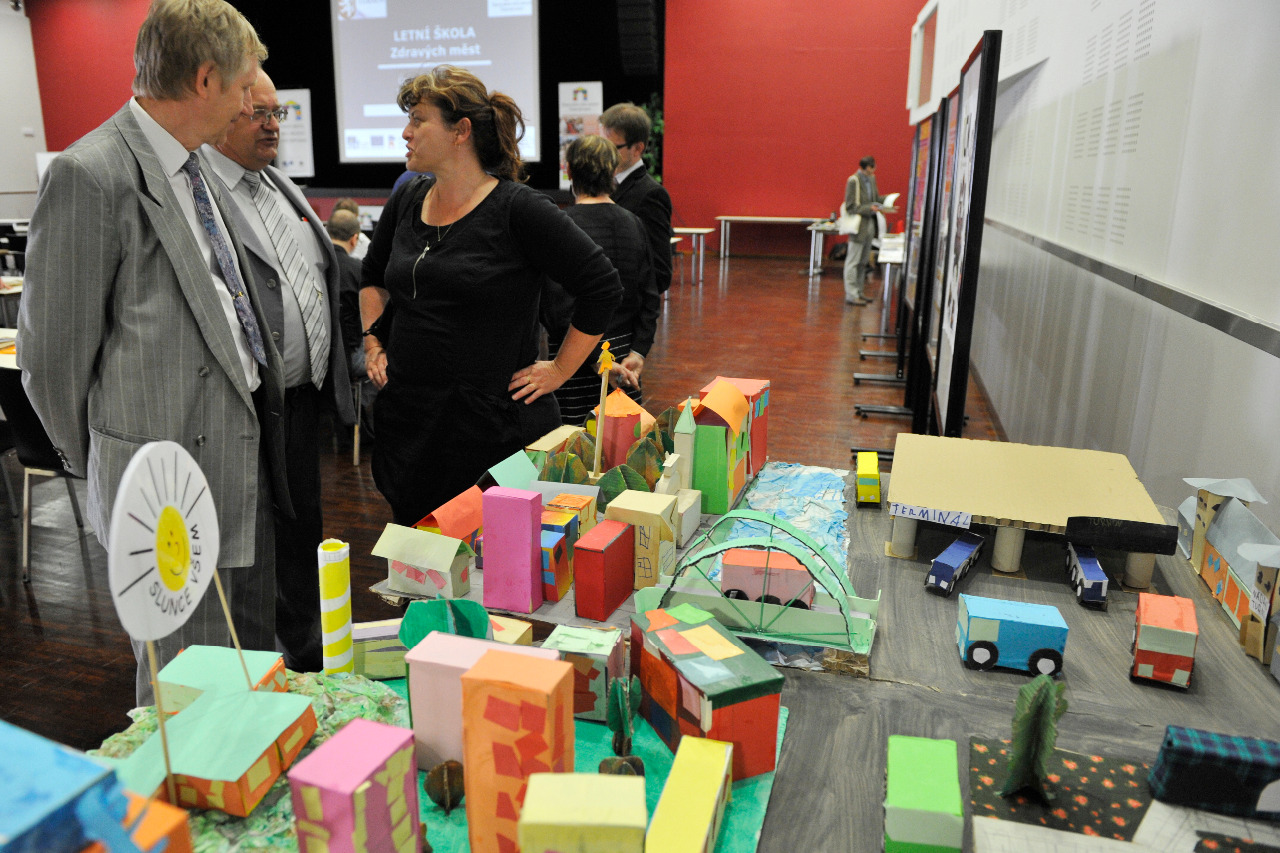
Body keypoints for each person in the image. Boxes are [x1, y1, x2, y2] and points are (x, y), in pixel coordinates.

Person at [17, 0, 283, 704]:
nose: (249, 103)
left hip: (239, 463)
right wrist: (109, 466)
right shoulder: (91, 173)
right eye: (243, 86)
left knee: (251, 666)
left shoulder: (197, 164)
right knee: (185, 687)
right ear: (204, 80)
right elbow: (52, 358)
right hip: (161, 484)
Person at [360, 65, 621, 526]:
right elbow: (372, 277)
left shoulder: (517, 208)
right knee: (417, 558)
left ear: (460, 131)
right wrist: (372, 340)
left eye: (418, 120)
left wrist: (560, 369)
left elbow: (601, 284)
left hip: (488, 433)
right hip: (411, 429)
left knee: (491, 558)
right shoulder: (407, 199)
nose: (406, 133)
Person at [202, 69, 355, 672]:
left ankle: (308, 652)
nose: (272, 125)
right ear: (222, 115)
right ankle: (266, 664)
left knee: (301, 531)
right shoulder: (203, 193)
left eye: (277, 113)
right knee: (257, 543)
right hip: (249, 404)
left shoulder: (273, 182)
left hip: (299, 401)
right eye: (258, 113)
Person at [542, 135, 659, 424]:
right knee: (622, 441)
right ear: (613, 171)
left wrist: (597, 360)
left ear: (569, 171)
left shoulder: (562, 226)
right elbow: (649, 295)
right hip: (625, 362)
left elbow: (557, 309)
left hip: (573, 362)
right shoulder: (634, 223)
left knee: (574, 444)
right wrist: (638, 352)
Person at [600, 102, 674, 308]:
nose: (604, 154)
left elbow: (660, 272)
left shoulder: (651, 194)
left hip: (627, 311)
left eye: (612, 148)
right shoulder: (602, 184)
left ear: (638, 148)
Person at [327, 208, 377, 437]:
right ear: (354, 239)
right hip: (351, 360)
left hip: (317, 358)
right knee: (386, 361)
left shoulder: (313, 267)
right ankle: (362, 419)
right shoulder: (359, 271)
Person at [843, 156, 892, 305]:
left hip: (870, 224)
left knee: (863, 261)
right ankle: (851, 294)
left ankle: (859, 291)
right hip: (858, 226)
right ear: (867, 168)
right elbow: (850, 207)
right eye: (873, 167)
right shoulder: (853, 181)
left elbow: (875, 198)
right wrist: (869, 208)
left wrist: (888, 200)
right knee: (853, 261)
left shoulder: (872, 179)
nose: (874, 170)